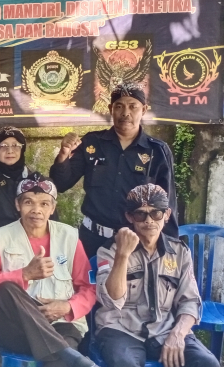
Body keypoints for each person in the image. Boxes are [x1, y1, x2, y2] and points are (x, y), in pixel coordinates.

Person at [0, 172, 101, 367]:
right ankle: (70, 355)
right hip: (15, 330)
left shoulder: (69, 237)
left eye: (44, 204)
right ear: (17, 205)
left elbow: (88, 288)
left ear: (53, 207)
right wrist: (23, 274)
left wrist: (67, 306)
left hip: (61, 323)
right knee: (6, 288)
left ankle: (66, 357)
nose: (36, 210)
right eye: (28, 202)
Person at [96, 184, 219, 367]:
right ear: (129, 217)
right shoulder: (110, 249)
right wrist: (123, 255)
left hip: (164, 329)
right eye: (140, 214)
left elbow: (190, 301)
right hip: (120, 329)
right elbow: (112, 300)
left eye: (156, 213)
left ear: (167, 215)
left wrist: (178, 334)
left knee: (207, 365)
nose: (149, 220)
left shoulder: (179, 251)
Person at [49, 83, 178, 258]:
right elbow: (60, 184)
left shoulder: (157, 151)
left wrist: (168, 248)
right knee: (88, 277)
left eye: (133, 106)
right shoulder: (92, 143)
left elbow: (167, 203)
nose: (125, 113)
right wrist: (63, 154)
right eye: (119, 106)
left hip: (137, 241)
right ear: (111, 109)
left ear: (144, 110)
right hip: (92, 240)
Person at [0, 126, 63, 232]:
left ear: (22, 149)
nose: (9, 151)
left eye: (15, 145)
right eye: (3, 146)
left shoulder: (40, 182)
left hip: (32, 238)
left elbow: (53, 222)